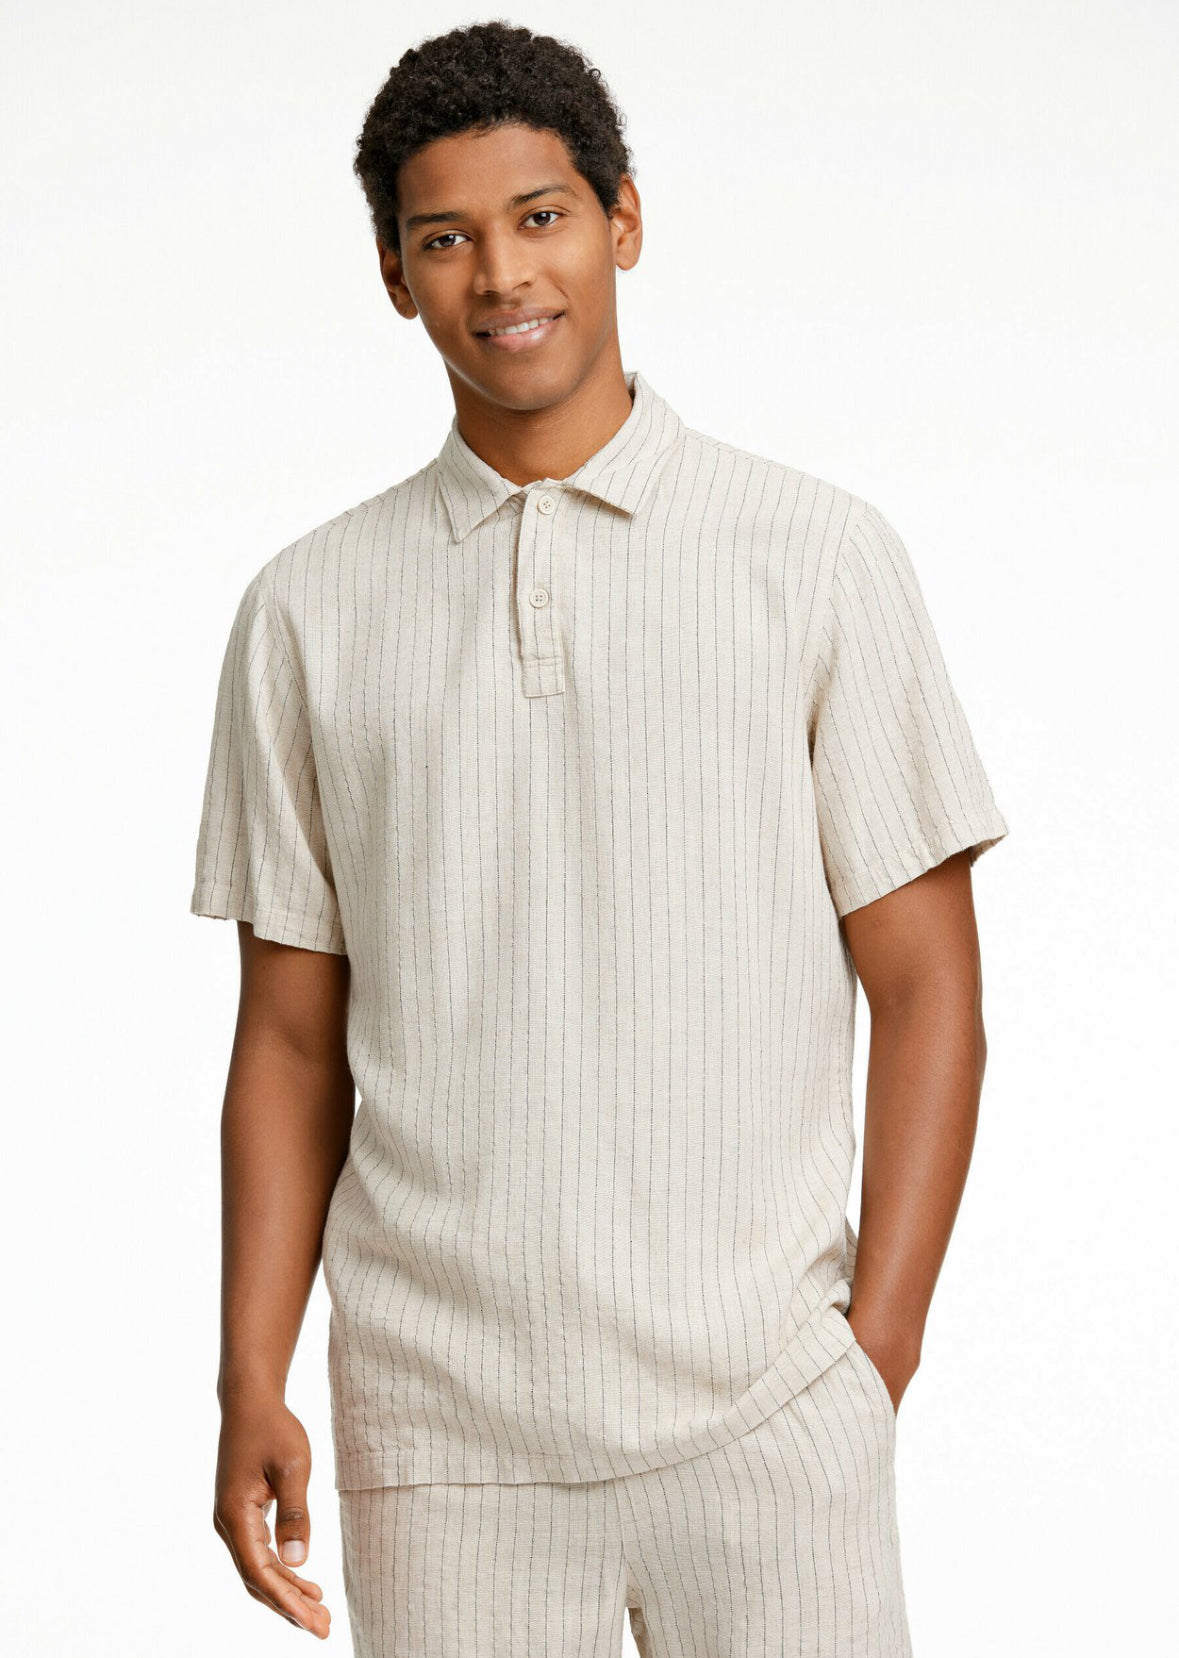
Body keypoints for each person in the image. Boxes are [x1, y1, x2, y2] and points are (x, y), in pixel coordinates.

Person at [189, 21, 1009, 1657]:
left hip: (769, 1411)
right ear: (394, 274)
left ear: (623, 220)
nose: (503, 274)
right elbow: (288, 1039)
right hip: (443, 1438)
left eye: (542, 216)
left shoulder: (815, 557)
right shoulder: (306, 612)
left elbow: (930, 989)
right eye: (446, 237)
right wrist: (248, 1376)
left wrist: (875, 1356)